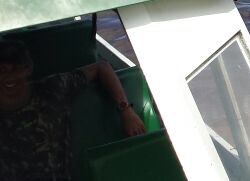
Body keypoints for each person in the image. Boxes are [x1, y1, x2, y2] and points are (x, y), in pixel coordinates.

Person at [0, 39, 146, 181]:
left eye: (16, 69)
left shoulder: (52, 89)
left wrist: (125, 110)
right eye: (2, 70)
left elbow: (102, 68)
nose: (9, 76)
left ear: (28, 69)